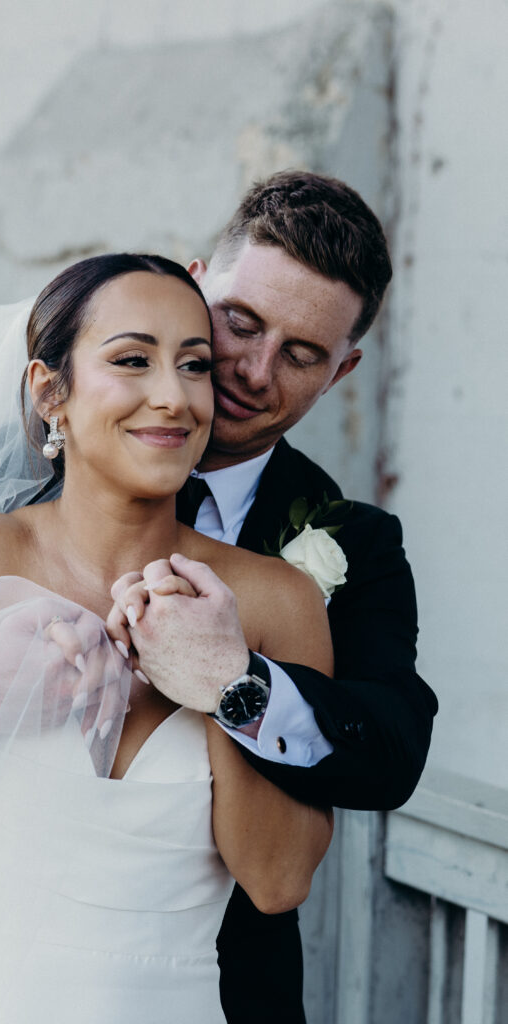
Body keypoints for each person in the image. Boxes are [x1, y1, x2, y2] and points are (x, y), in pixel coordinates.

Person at [0, 254, 334, 1024]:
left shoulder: (275, 598)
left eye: (193, 365)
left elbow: (276, 879)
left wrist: (225, 678)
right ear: (49, 393)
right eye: (132, 360)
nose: (172, 396)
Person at [106, 172, 438, 1022]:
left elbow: (392, 748)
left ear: (341, 371)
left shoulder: (351, 542)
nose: (251, 372)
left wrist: (234, 683)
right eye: (239, 323)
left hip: (222, 980)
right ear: (188, 287)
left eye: (299, 353)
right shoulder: (40, 460)